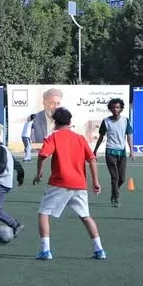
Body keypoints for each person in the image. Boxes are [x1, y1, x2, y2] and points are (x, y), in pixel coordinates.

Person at [32, 107, 106, 261]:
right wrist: (95, 181)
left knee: (44, 213)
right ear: (70, 121)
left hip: (59, 182)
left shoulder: (53, 137)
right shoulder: (80, 138)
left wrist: (39, 173)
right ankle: (99, 250)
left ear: (54, 122)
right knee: (86, 216)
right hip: (79, 183)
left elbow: (43, 155)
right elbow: (92, 159)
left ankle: (45, 251)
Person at [93, 98, 134, 207]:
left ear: (121, 108)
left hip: (122, 153)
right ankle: (115, 198)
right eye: (113, 107)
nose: (115, 109)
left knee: (122, 178)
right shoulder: (106, 121)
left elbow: (129, 136)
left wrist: (131, 150)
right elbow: (101, 137)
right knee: (115, 177)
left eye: (117, 107)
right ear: (110, 109)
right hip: (110, 152)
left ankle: (114, 192)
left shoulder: (125, 120)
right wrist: (95, 150)